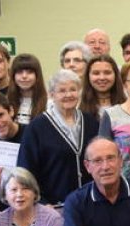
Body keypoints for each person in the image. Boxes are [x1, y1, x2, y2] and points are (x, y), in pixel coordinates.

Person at [17, 70, 99, 206]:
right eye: (62, 91)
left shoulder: (90, 122)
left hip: (90, 202)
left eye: (73, 89)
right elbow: (25, 170)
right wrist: (41, 202)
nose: (68, 95)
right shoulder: (36, 127)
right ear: (51, 95)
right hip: (54, 206)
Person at [7, 53, 47, 125]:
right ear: (13, 76)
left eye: (30, 72)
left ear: (37, 75)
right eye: (19, 72)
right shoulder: (6, 101)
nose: (24, 76)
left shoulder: (49, 104)